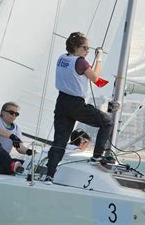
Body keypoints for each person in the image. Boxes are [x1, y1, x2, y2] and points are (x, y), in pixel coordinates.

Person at [45, 32, 113, 184]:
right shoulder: (81, 62)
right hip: (75, 104)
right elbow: (96, 79)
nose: (88, 51)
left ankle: (49, 175)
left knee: (59, 141)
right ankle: (96, 157)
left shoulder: (62, 58)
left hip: (61, 102)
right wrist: (99, 58)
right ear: (76, 47)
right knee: (106, 122)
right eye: (85, 48)